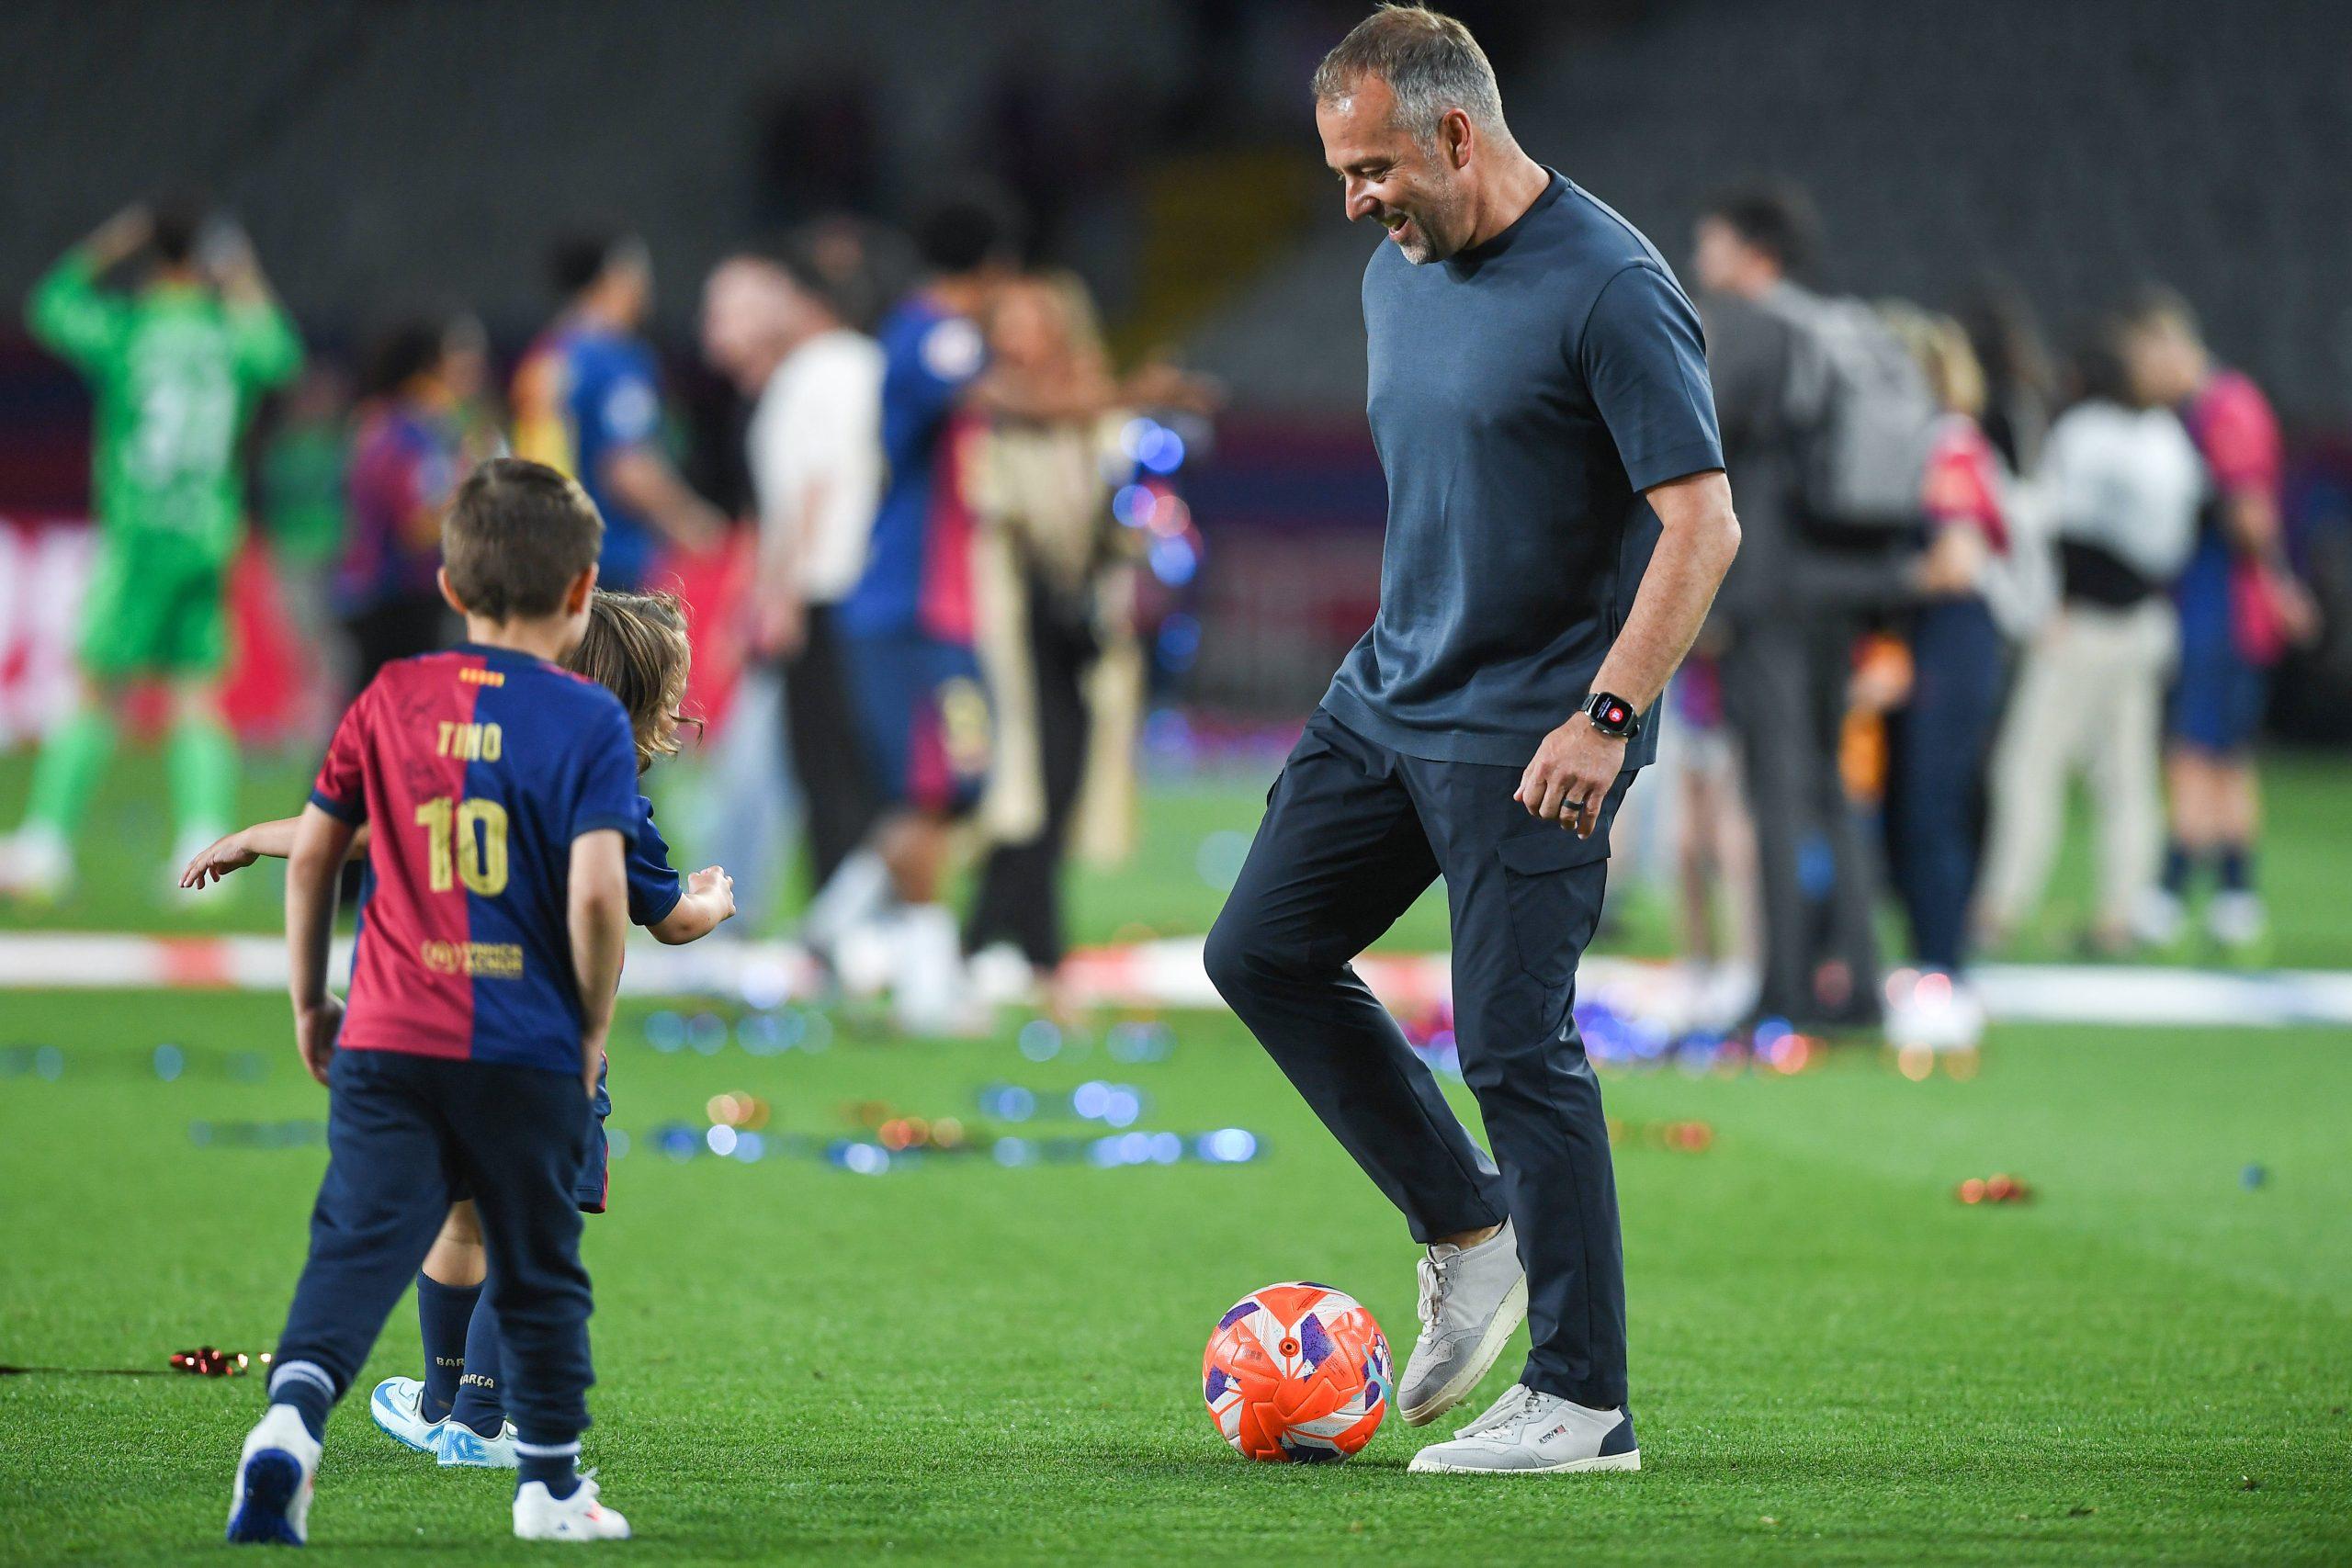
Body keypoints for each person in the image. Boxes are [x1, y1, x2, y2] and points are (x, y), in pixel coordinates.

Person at [1205, 6, 1739, 1475]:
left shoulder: (1612, 286)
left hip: (1536, 731)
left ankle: (1583, 1400)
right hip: (1387, 697)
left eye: (1374, 168)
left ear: (1457, 132)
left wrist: (1607, 713)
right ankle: (1466, 1222)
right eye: (1341, 173)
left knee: (1513, 1042)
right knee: (1259, 950)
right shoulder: (1396, 272)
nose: (1357, 201)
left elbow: (1703, 525)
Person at [187, 587, 735, 1468]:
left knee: (461, 1220)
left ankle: (444, 1404)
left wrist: (254, 834)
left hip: (442, 1037)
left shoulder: (472, 775)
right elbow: (670, 919)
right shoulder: (611, 802)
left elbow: (359, 830)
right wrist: (714, 897)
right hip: (545, 1053)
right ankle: (482, 1420)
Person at [225, 458, 639, 1544]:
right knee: (535, 1259)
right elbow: (599, 894)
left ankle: (290, 1423)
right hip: (523, 1039)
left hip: (387, 1030)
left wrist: (310, 1001)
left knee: (358, 1242)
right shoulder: (587, 721)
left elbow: (318, 857)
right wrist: (589, 1027)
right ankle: (547, 1491)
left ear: (451, 588)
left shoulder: (388, 697)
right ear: (581, 589)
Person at [1691, 185, 1976, 1031]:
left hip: (1775, 589)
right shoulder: (1840, 327)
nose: (1699, 261)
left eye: (1711, 244)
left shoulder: (1751, 329)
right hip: (1849, 583)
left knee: (1777, 791)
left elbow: (1695, 439)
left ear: (1752, 251)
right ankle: (1856, 983)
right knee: (1827, 781)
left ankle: (1783, 989)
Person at [0, 199, 301, 901]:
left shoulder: (133, 330)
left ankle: (44, 846)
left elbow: (49, 306)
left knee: (96, 688)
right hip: (206, 535)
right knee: (196, 696)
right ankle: (208, 853)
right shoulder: (228, 334)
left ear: (151, 254)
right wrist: (243, 275)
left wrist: (110, 244)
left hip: (139, 534)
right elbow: (283, 356)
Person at [962, 271, 1160, 1013]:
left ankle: (1002, 948)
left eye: (1031, 321)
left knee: (1058, 781)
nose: (1016, 336)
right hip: (1001, 618)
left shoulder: (1094, 415)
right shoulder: (988, 402)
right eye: (1007, 321)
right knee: (1021, 782)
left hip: (1073, 622)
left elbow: (1115, 511)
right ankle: (1018, 951)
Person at [1976, 322, 2205, 955]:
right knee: (2127, 779)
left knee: (2027, 767)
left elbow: (2058, 529)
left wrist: (2048, 605)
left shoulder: (2086, 432)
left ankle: (2000, 906)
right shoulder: (2167, 437)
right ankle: (2121, 914)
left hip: (2082, 624)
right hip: (2145, 620)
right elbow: (2180, 536)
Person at [2121, 290, 2319, 953]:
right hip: (2225, 605)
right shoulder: (2198, 408)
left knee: (2192, 752)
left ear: (2169, 344)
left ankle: (2171, 893)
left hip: (2225, 608)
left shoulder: (2223, 407)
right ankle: (2235, 895)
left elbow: (2250, 512)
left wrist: (2279, 583)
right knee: (2226, 757)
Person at [702, 242, 887, 914]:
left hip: (824, 589)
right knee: (835, 762)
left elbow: (813, 488)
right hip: (851, 586)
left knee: (825, 765)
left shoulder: (819, 369)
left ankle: (842, 909)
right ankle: (847, 908)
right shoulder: (856, 363)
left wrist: (780, 593)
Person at [1877, 304, 2037, 1048]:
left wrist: (1867, 582)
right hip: (1933, 635)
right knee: (1909, 808)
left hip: (1955, 636)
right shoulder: (1922, 442)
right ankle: (1929, 962)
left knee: (1934, 807)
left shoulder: (1949, 444)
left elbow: (1957, 564)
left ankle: (1946, 969)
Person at [512, 230, 725, 590]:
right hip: (616, 559)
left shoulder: (544, 356)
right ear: (617, 274)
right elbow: (627, 467)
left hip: (554, 558)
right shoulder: (612, 358)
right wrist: (694, 523)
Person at [337, 319, 472, 688]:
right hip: (392, 601)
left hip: (398, 596)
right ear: (429, 367)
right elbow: (413, 529)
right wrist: (474, 500)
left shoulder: (418, 428)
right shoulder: (401, 434)